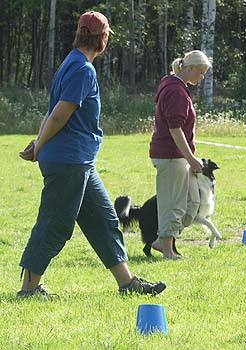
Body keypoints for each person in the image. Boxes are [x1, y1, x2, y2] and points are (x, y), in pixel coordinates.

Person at [17, 11, 166, 297]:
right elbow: (59, 115)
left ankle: (127, 283)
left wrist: (39, 143)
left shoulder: (70, 63)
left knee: (104, 219)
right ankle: (29, 288)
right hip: (69, 161)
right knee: (55, 224)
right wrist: (40, 145)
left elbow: (51, 111)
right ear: (103, 39)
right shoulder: (83, 69)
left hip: (79, 161)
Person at [149, 50, 212, 259]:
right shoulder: (175, 91)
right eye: (201, 73)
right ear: (190, 68)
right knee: (173, 203)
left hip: (179, 156)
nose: (202, 78)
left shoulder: (179, 88)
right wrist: (191, 158)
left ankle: (162, 240)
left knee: (193, 203)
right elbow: (174, 130)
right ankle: (167, 249)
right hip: (170, 155)